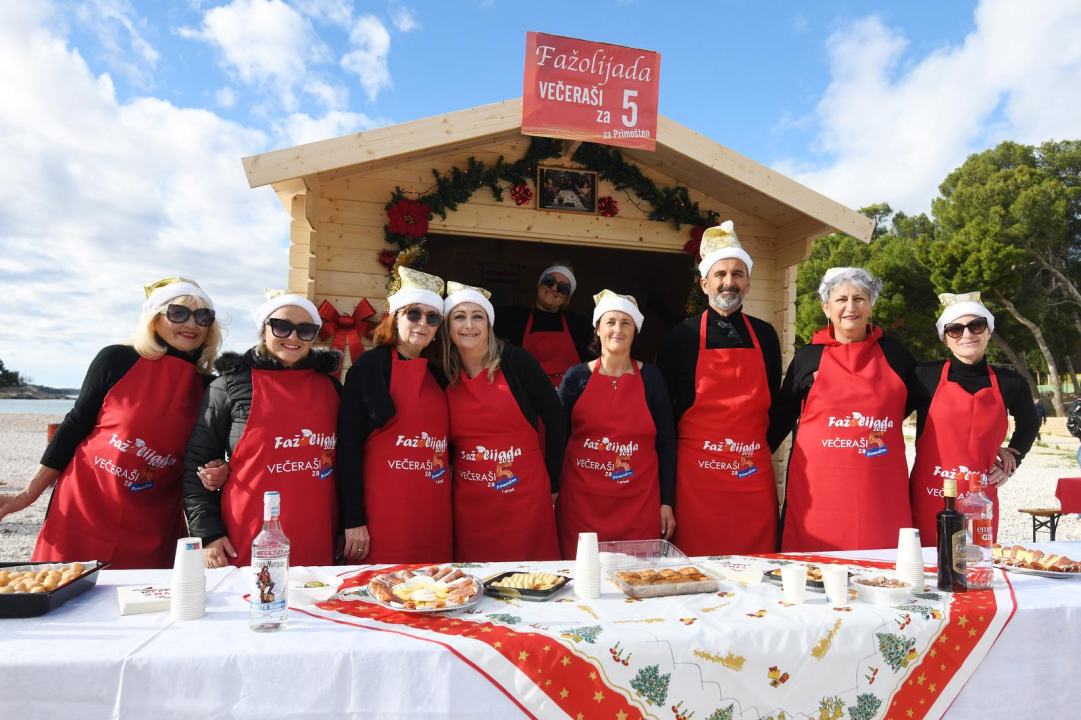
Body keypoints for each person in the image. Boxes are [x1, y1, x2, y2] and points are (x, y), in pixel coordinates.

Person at [0, 277, 222, 569]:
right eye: (178, 313)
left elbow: (205, 455)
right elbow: (74, 426)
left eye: (203, 316)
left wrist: (219, 468)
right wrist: (27, 495)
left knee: (144, 605)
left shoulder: (211, 387)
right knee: (64, 594)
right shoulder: (116, 359)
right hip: (84, 503)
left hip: (154, 515)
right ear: (154, 320)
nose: (192, 324)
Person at [182, 290, 341, 568]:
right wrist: (208, 534)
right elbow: (197, 463)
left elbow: (347, 464)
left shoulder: (332, 388)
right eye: (281, 326)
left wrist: (346, 526)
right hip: (246, 533)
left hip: (317, 533)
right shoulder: (229, 386)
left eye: (305, 330)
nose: (292, 338)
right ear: (264, 330)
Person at [769, 267, 916, 552]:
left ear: (871, 305)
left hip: (879, 490)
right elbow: (780, 419)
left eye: (860, 298)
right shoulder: (807, 357)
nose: (851, 307)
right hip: (819, 492)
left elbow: (927, 401)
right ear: (826, 307)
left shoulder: (895, 353)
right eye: (841, 300)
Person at [656, 222, 782, 555]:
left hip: (751, 474)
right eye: (721, 274)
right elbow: (662, 413)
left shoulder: (766, 335)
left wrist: (752, 449)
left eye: (738, 274)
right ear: (704, 283)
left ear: (749, 282)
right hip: (696, 478)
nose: (729, 282)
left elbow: (776, 403)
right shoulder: (680, 337)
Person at [442, 282, 563, 562]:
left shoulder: (517, 361)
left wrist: (553, 481)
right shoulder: (443, 374)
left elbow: (556, 419)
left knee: (532, 580)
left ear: (489, 324)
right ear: (448, 327)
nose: (469, 325)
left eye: (478, 316)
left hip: (525, 495)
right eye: (460, 317)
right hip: (471, 503)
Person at [337, 267, 451, 564]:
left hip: (433, 513)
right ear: (395, 317)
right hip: (383, 516)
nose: (422, 323)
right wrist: (353, 520)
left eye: (432, 317)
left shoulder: (438, 376)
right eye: (413, 314)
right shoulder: (370, 367)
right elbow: (347, 448)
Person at [909, 292, 1038, 542]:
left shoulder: (1010, 382)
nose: (967, 334)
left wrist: (1012, 460)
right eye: (955, 329)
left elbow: (1030, 423)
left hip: (981, 497)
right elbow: (888, 414)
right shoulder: (924, 376)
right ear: (945, 338)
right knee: (927, 567)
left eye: (976, 326)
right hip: (930, 493)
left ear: (988, 331)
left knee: (978, 565)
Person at [558, 291, 676, 558]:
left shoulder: (652, 378)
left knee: (639, 579)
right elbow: (558, 437)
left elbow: (667, 442)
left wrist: (666, 501)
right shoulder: (576, 377)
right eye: (610, 322)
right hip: (581, 504)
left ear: (635, 331)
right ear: (598, 329)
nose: (617, 329)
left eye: (626, 323)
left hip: (639, 504)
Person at [494, 264, 593, 388]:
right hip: (526, 398)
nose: (554, 288)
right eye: (549, 281)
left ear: (565, 299)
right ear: (539, 285)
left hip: (567, 399)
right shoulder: (512, 317)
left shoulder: (579, 325)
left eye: (562, 288)